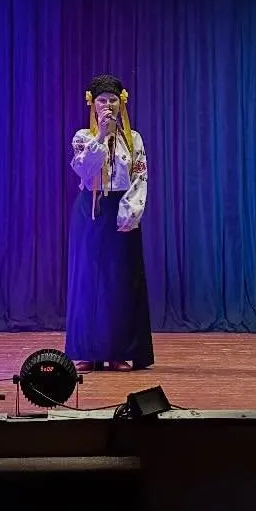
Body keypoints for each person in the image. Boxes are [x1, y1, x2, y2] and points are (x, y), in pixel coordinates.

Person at [64, 74, 155, 373]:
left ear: (121, 103)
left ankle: (118, 351)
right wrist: (101, 136)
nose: (108, 105)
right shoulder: (83, 137)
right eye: (102, 100)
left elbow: (140, 175)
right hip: (91, 210)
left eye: (113, 100)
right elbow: (83, 170)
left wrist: (131, 212)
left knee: (119, 281)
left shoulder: (133, 138)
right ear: (92, 104)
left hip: (122, 208)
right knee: (89, 280)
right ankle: (87, 352)